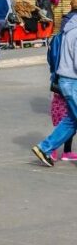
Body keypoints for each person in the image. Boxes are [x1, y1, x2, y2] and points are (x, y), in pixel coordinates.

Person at [33, 14, 77, 167]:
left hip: (66, 80)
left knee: (71, 121)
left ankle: (44, 148)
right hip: (73, 82)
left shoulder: (69, 30)